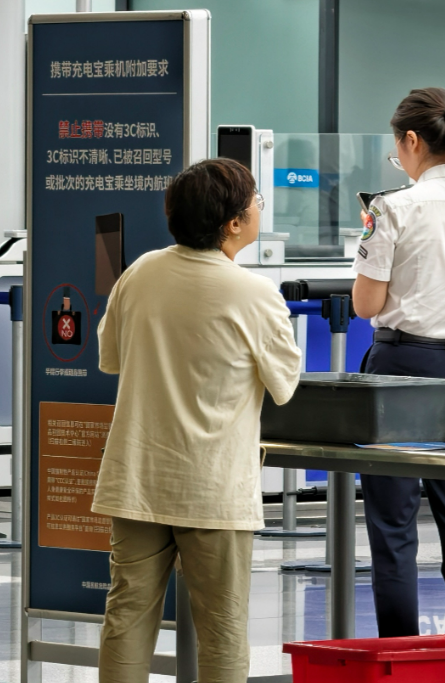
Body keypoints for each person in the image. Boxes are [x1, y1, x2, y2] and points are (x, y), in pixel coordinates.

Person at [92, 158, 302, 683]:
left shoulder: (139, 273)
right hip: (214, 487)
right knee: (222, 630)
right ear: (233, 223)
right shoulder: (255, 294)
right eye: (255, 201)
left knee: (126, 616)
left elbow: (110, 357)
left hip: (137, 476)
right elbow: (285, 384)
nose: (259, 209)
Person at [352, 87, 445, 638]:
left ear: (412, 141)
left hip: (398, 366)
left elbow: (366, 304)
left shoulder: (391, 207)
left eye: (398, 147)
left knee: (393, 527)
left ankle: (400, 654)